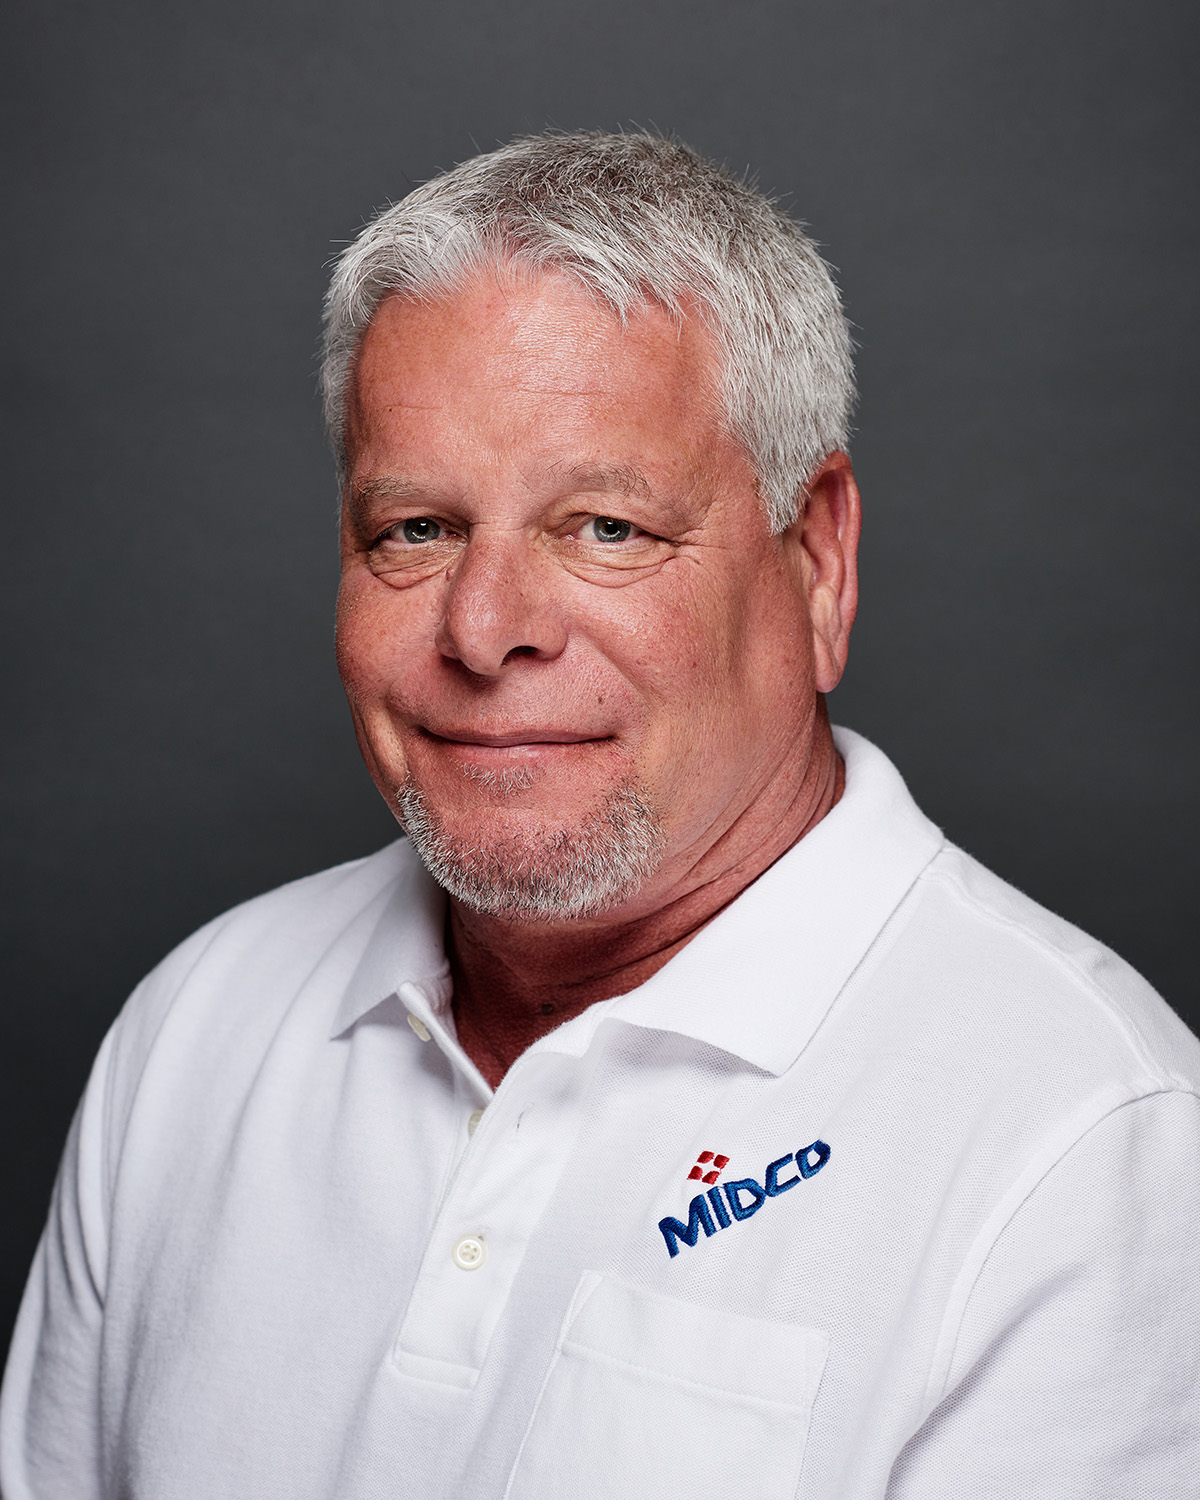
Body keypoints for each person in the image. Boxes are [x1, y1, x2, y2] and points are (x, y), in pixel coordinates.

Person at [2, 130, 1197, 1499]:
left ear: (816, 562)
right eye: (416, 529)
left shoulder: (1085, 1151)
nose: (485, 628)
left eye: (606, 529)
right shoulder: (196, 1032)